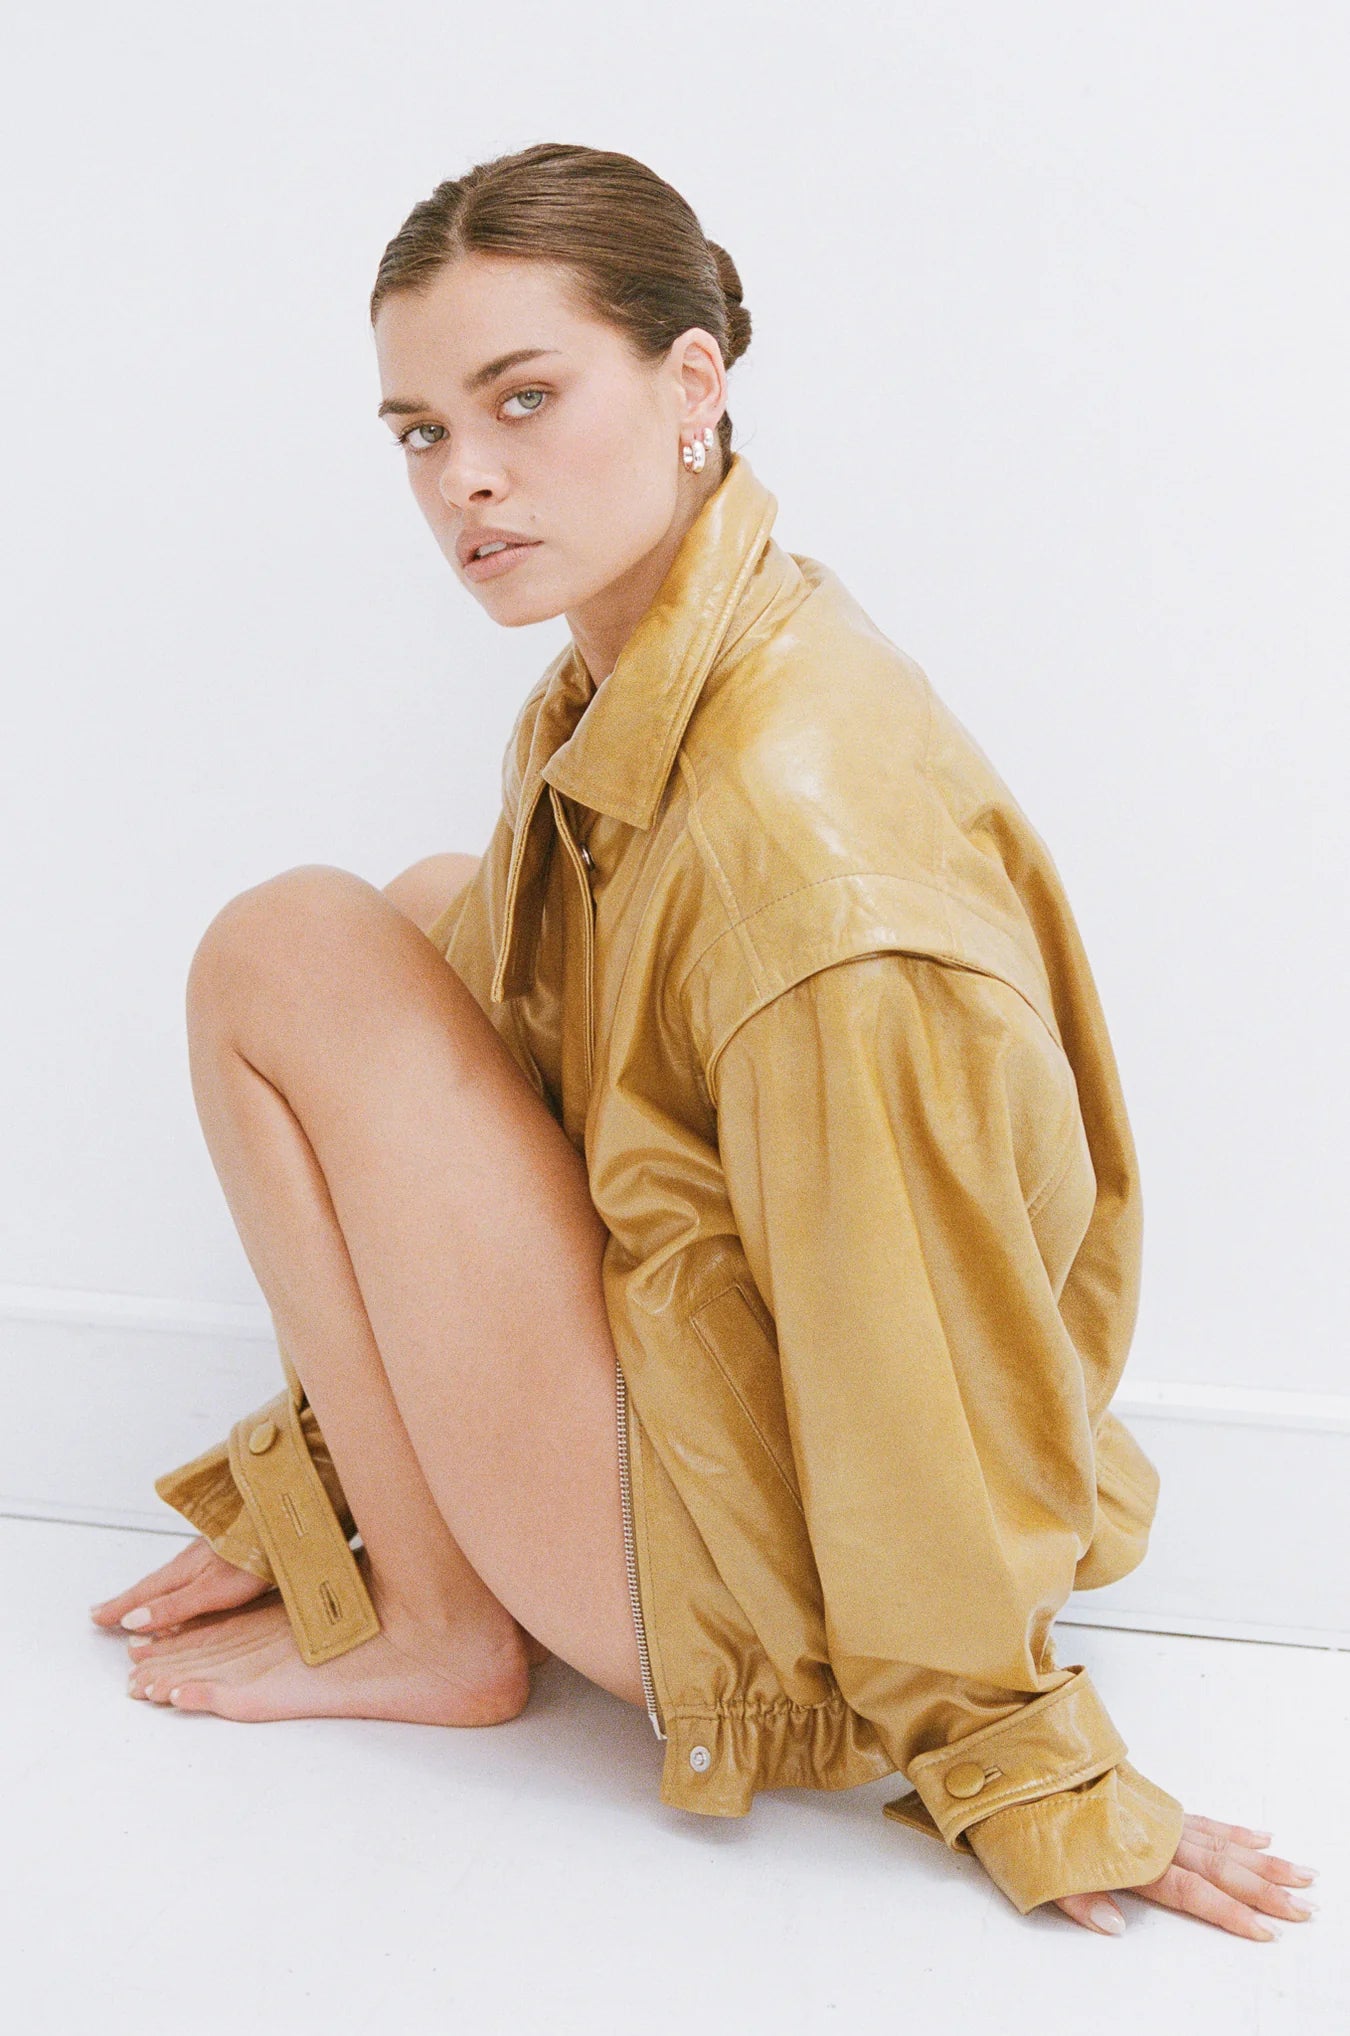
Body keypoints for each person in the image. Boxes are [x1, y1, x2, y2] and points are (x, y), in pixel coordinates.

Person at [90, 142, 1316, 1940]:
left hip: (763, 1616)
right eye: (421, 430)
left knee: (284, 946)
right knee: (439, 914)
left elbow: (915, 1327)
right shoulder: (655, 663)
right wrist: (328, 1478)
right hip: (723, 1440)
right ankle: (416, 1556)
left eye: (523, 398)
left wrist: (1014, 1756)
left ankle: (442, 1628)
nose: (465, 477)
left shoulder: (798, 852)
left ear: (691, 384)